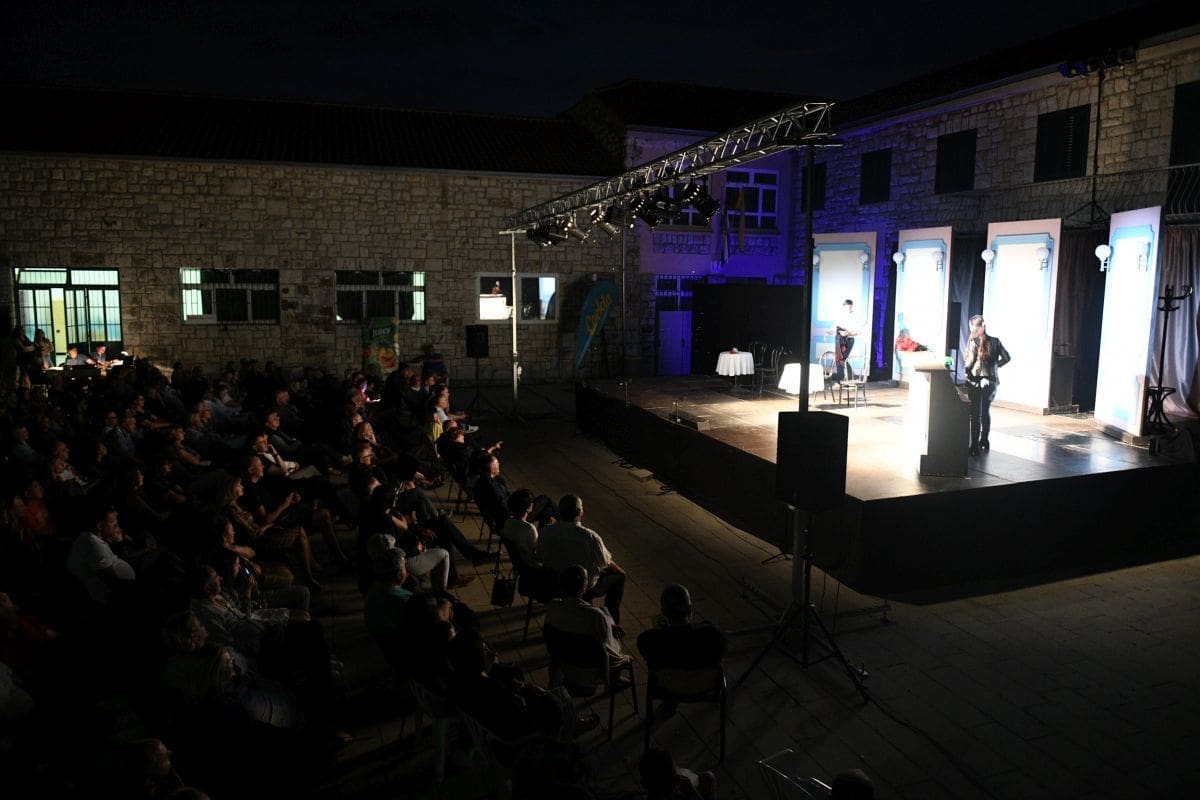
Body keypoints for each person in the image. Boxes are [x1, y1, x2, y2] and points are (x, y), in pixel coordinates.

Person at [636, 585, 727, 718]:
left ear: (663, 612)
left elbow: (651, 660)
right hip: (704, 686)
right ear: (689, 609)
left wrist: (662, 633)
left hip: (667, 687)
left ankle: (672, 700)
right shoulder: (713, 635)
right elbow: (719, 656)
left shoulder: (647, 640)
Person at [538, 495, 625, 626]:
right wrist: (616, 569)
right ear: (580, 512)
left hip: (555, 582)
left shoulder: (546, 531)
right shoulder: (590, 536)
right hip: (583, 587)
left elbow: (540, 556)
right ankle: (612, 623)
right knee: (620, 577)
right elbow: (604, 563)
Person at [963, 315, 1011, 456]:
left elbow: (970, 363)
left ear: (976, 327)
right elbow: (1007, 358)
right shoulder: (996, 341)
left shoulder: (973, 342)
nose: (970, 328)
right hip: (991, 382)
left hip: (976, 382)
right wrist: (994, 367)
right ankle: (984, 440)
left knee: (975, 414)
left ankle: (974, 446)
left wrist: (965, 373)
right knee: (985, 412)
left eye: (971, 326)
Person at [832, 299, 861, 382]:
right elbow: (837, 327)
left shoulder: (854, 317)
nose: (848, 310)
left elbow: (858, 332)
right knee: (840, 360)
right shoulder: (842, 316)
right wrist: (831, 331)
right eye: (846, 308)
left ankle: (843, 381)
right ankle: (847, 380)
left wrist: (848, 333)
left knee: (842, 360)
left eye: (849, 307)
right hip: (839, 340)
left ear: (851, 307)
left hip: (848, 340)